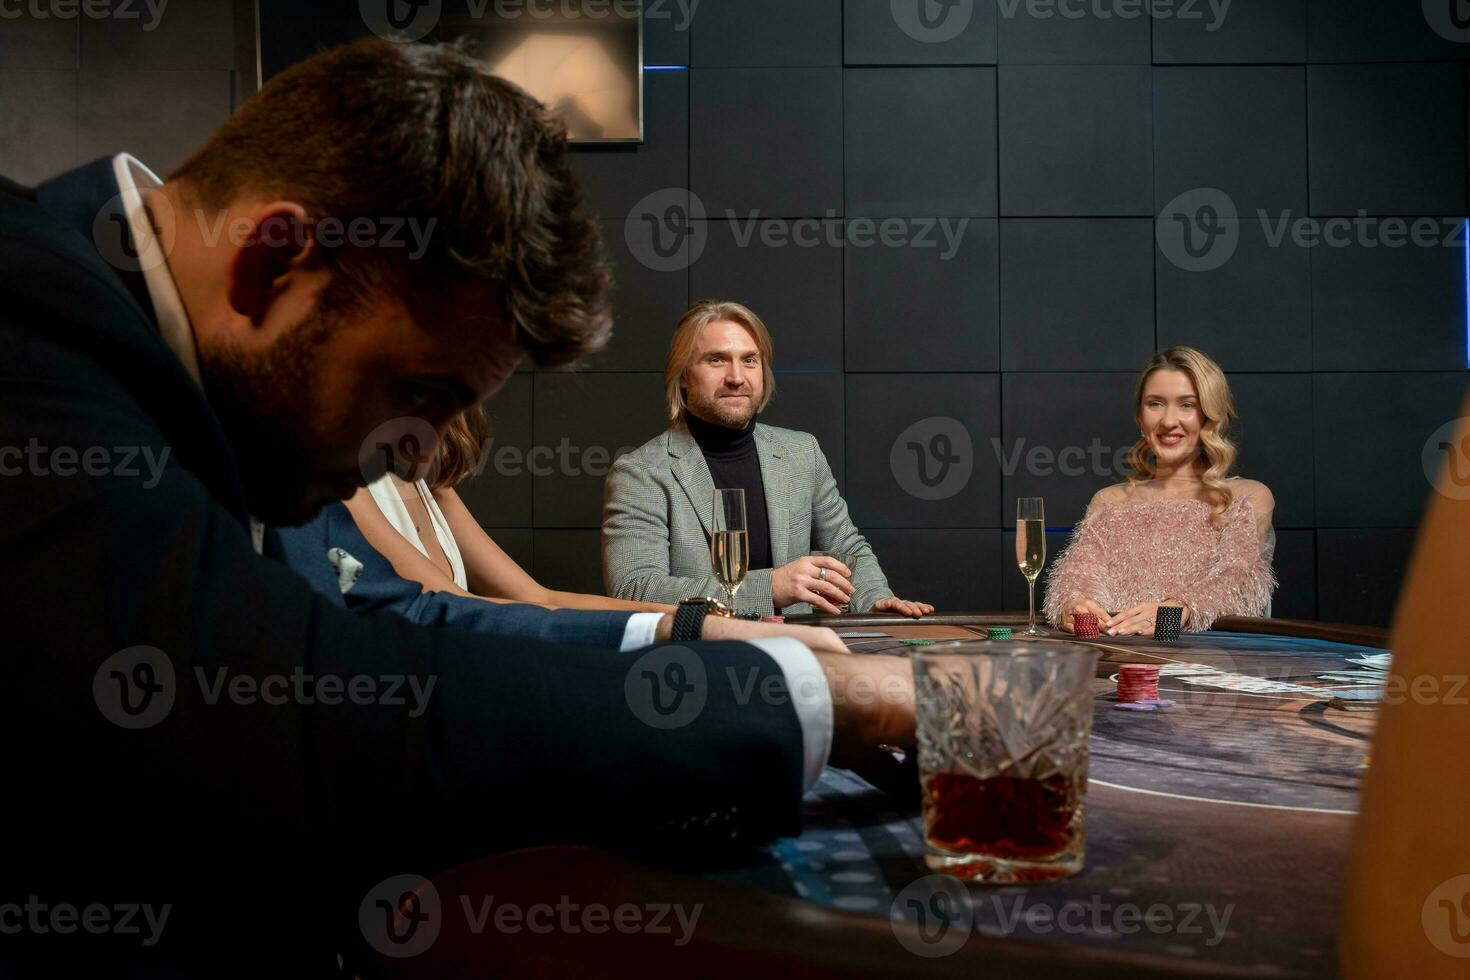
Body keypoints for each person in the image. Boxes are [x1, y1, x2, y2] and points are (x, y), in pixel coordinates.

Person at [0, 38, 915, 969]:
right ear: (273, 263)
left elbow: (398, 624)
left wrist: (697, 642)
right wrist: (814, 698)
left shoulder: (241, 389)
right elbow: (316, 715)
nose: (422, 454)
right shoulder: (24, 321)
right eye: (417, 395)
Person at [603, 299, 934, 618]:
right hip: (700, 659)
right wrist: (770, 587)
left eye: (749, 360)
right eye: (716, 360)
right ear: (684, 374)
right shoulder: (641, 473)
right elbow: (634, 589)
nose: (736, 377)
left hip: (798, 654)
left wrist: (875, 603)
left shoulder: (802, 453)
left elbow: (847, 547)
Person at [1043, 346, 1276, 636]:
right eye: (1155, 403)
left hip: (1207, 662)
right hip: (1116, 657)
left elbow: (1237, 578)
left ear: (1209, 416)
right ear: (1140, 418)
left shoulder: (1247, 496)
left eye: (1187, 404)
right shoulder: (1109, 501)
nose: (1168, 421)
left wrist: (1176, 610)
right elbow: (1077, 576)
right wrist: (1074, 603)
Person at [344, 407, 669, 612]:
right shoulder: (349, 488)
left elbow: (540, 599)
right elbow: (459, 611)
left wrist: (689, 617)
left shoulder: (434, 489)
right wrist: (670, 627)